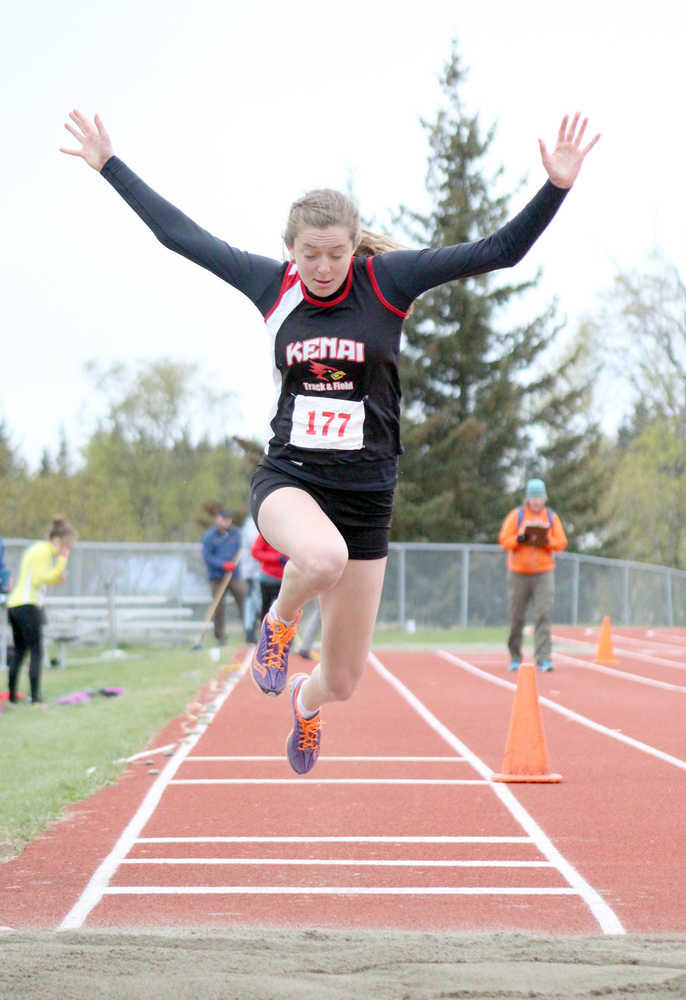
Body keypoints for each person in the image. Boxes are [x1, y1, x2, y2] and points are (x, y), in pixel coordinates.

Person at [60, 108, 599, 772]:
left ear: (353, 246)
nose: (321, 267)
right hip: (292, 479)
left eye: (335, 254)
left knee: (344, 679)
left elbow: (498, 251)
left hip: (369, 493)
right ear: (291, 248)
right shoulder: (274, 288)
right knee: (320, 558)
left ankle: (305, 708)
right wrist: (111, 165)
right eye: (308, 254)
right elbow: (181, 236)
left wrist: (556, 188)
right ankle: (277, 628)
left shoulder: (389, 282)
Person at [498, 478, 568, 673]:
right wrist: (521, 539)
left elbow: (561, 543)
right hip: (518, 573)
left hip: (544, 573)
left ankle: (543, 658)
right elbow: (504, 540)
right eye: (533, 498)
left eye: (540, 498)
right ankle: (515, 656)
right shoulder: (517, 516)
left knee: (543, 614)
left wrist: (546, 540)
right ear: (527, 499)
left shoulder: (551, 518)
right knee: (516, 616)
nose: (537, 502)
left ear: (545, 499)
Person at [6, 516, 77, 704]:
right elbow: (39, 579)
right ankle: (35, 697)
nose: (66, 552)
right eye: (66, 547)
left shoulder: (37, 549)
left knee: (20, 651)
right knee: (36, 651)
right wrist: (60, 565)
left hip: (15, 605)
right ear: (57, 541)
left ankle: (12, 696)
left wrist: (55, 577)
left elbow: (40, 578)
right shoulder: (43, 551)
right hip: (27, 605)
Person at [201, 508, 249, 646]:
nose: (226, 523)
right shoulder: (209, 537)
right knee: (218, 607)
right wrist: (222, 565)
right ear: (217, 519)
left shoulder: (237, 534)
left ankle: (250, 633)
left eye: (228, 520)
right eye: (223, 520)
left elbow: (244, 549)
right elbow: (207, 557)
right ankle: (221, 638)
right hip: (217, 577)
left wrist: (235, 564)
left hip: (235, 576)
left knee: (245, 601)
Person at [251, 533, 288, 622]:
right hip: (268, 579)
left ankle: (284, 634)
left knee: (285, 611)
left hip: (287, 579)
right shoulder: (266, 532)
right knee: (266, 610)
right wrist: (276, 558)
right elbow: (255, 552)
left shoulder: (291, 532)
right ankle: (265, 633)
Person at [240, 514, 262, 644]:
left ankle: (250, 630)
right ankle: (250, 631)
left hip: (259, 571)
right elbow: (254, 543)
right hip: (253, 571)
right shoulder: (251, 523)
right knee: (255, 601)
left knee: (252, 601)